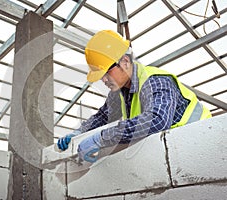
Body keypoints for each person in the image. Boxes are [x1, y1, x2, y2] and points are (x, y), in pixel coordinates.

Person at [57, 30, 211, 163]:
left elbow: (157, 120)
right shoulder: (118, 92)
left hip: (202, 142)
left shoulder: (156, 81)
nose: (103, 80)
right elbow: (103, 116)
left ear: (124, 61)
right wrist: (78, 133)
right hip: (172, 150)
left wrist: (101, 138)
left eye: (105, 73)